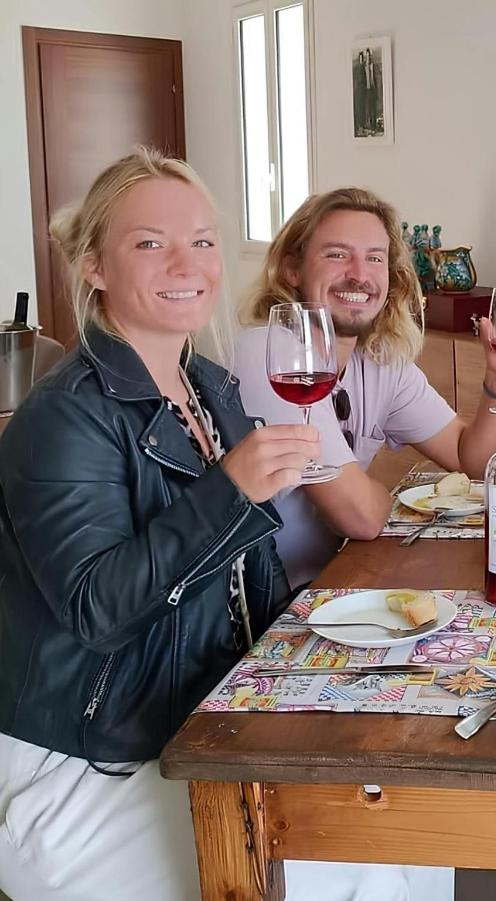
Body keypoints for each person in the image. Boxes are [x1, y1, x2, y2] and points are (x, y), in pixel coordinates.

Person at [0, 149, 314, 899]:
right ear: (94, 266)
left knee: (391, 833)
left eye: (202, 240)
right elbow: (99, 610)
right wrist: (230, 492)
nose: (187, 263)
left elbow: (242, 584)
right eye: (150, 242)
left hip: (194, 726)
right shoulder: (63, 416)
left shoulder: (210, 388)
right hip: (80, 761)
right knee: (324, 869)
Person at [235, 187, 496, 588]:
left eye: (374, 258)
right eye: (337, 254)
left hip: (334, 579)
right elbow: (361, 517)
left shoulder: (379, 358)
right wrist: (384, 495)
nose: (359, 274)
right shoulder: (271, 354)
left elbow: (469, 459)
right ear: (292, 270)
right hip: (266, 605)